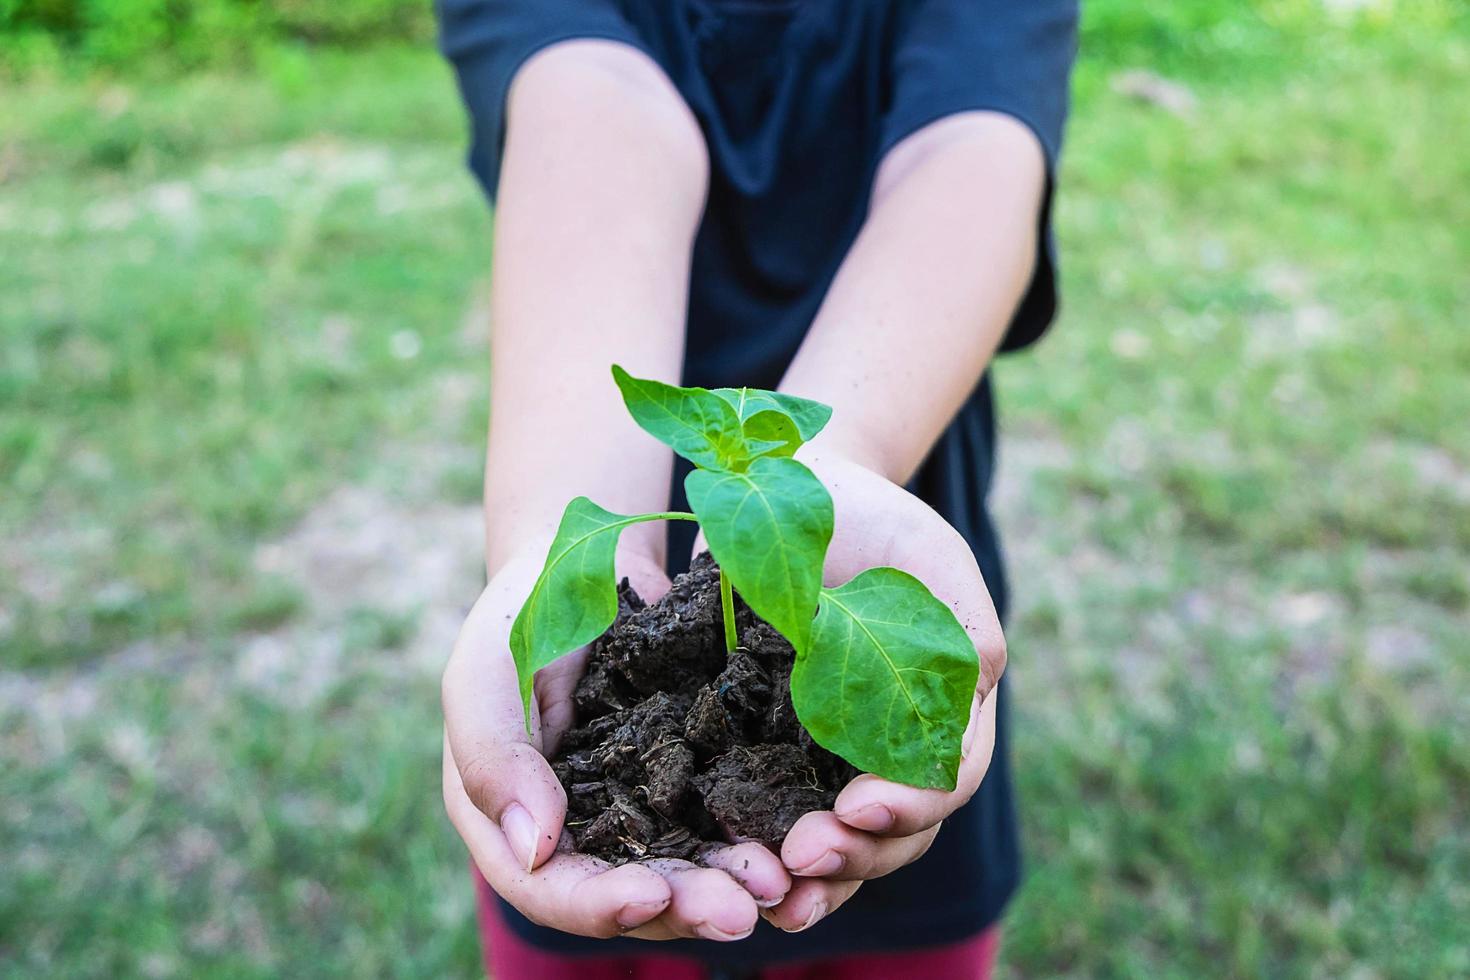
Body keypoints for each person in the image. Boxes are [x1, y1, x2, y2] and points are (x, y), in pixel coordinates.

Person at [436, 1, 1077, 976]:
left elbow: (970, 153)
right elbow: (594, 107)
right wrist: (546, 537)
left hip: (887, 518)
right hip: (600, 741)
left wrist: (834, 466)